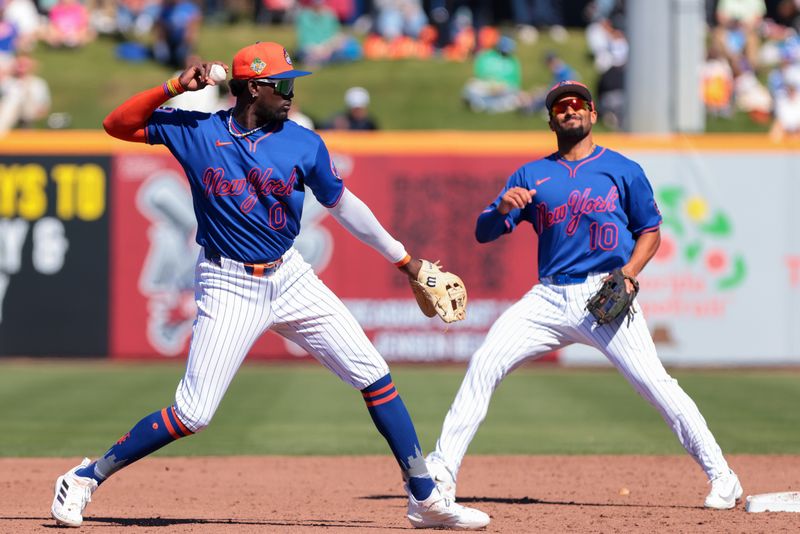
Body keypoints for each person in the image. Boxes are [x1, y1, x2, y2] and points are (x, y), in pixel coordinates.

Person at [48, 41, 490, 531]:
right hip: (227, 282)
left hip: (289, 274)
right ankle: (86, 476)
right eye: (283, 84)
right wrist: (174, 86)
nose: (291, 92)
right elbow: (116, 125)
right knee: (193, 414)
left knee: (374, 374)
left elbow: (345, 207)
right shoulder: (197, 131)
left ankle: (424, 498)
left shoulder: (302, 141)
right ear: (254, 87)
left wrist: (405, 261)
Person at [424, 80, 744, 511]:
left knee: (654, 383)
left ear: (593, 115)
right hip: (548, 298)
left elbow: (649, 231)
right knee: (485, 363)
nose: (569, 110)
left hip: (604, 294)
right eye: (560, 106)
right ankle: (441, 475)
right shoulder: (531, 174)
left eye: (577, 104)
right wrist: (502, 209)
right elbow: (483, 232)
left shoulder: (622, 169)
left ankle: (723, 475)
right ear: (551, 119)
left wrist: (629, 274)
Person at [462, 35, 522, 113]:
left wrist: (501, 86)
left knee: (513, 98)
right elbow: (480, 75)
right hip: (487, 85)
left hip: (504, 88)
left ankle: (483, 104)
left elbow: (515, 84)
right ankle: (483, 103)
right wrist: (491, 83)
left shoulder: (513, 61)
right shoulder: (486, 56)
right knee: (470, 87)